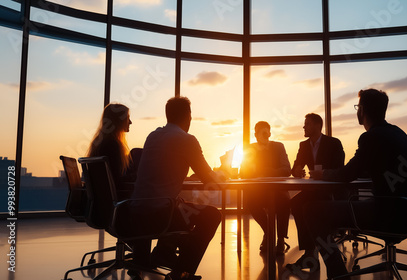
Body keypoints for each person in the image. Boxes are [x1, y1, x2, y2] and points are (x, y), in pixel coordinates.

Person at [305, 88, 407, 279]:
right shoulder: (396, 132)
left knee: (311, 210)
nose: (357, 111)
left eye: (358, 107)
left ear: (363, 110)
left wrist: (322, 174)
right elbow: (378, 166)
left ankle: (338, 275)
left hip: (388, 212)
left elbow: (347, 174)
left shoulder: (371, 137)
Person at [131, 96, 224, 280]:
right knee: (212, 215)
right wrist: (222, 174)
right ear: (188, 116)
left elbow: (165, 168)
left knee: (183, 206)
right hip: (160, 213)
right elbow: (209, 180)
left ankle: (165, 251)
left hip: (136, 210)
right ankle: (182, 272)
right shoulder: (187, 139)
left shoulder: (153, 136)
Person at [286, 113, 345, 272]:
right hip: (313, 190)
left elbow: (340, 169)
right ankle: (309, 252)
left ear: (318, 126)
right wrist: (297, 170)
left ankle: (311, 254)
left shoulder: (333, 143)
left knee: (307, 206)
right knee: (296, 203)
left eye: (307, 124)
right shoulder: (303, 145)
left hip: (329, 190)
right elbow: (295, 167)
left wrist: (324, 173)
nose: (304, 127)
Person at [239, 121, 292, 255]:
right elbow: (242, 172)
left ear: (269, 133)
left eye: (265, 132)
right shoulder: (250, 149)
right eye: (260, 132)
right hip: (258, 192)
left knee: (284, 202)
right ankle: (269, 232)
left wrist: (266, 171)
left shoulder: (278, 147)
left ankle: (279, 238)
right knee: (251, 202)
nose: (263, 135)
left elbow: (287, 169)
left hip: (278, 191)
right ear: (255, 135)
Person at [87, 103, 136, 199]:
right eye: (127, 118)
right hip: (114, 202)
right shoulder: (112, 145)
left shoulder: (100, 143)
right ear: (118, 121)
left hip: (101, 201)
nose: (130, 122)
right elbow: (116, 181)